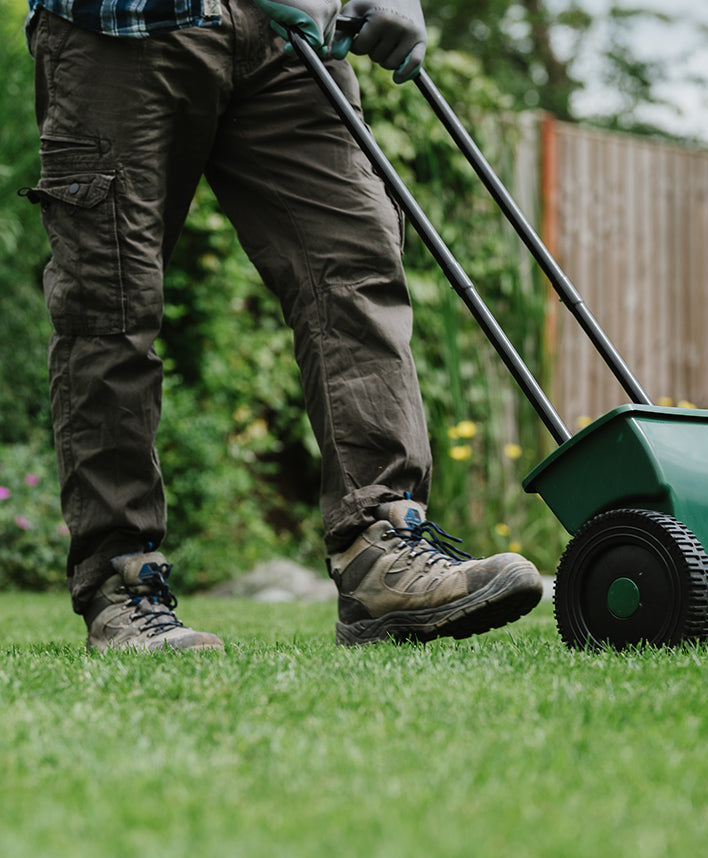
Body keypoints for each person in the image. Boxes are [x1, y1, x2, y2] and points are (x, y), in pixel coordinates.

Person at [23, 0, 544, 651]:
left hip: (288, 36)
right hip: (121, 30)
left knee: (354, 264)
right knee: (111, 307)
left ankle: (383, 553)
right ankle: (123, 586)